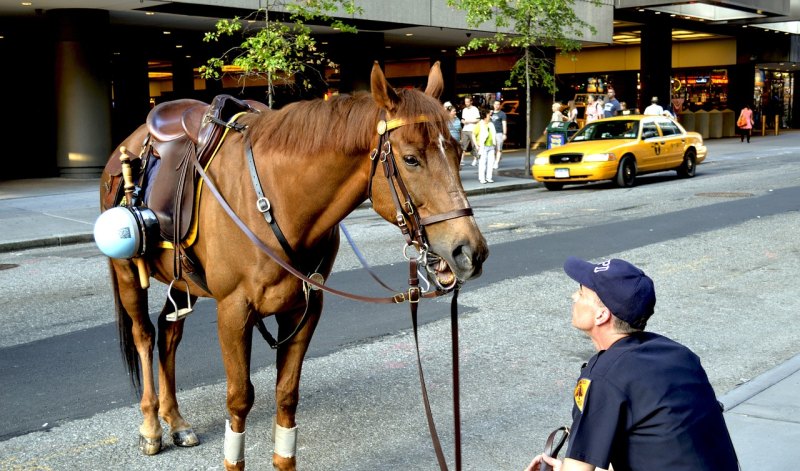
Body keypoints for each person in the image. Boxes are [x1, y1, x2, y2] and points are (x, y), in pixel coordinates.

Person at [525, 257, 738, 471]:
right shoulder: (679, 354)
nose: (574, 296)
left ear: (601, 315)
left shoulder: (604, 375)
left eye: (581, 293)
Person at [473, 109, 497, 184]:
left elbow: (494, 135)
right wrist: (476, 145)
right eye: (488, 114)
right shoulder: (479, 125)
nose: (490, 115)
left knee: (491, 162)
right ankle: (482, 178)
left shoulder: (491, 124)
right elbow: (473, 134)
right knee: (482, 163)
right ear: (485, 116)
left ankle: (489, 177)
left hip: (491, 146)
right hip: (483, 146)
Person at [459, 96, 481, 166]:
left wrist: (469, 121)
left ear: (471, 102)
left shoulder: (475, 109)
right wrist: (463, 121)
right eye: (465, 102)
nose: (466, 103)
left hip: (473, 130)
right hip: (465, 129)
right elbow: (462, 119)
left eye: (468, 102)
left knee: (474, 145)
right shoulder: (464, 110)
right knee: (463, 146)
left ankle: (475, 159)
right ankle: (461, 160)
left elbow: (478, 119)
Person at [490, 100, 508, 168]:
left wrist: (504, 134)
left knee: (499, 148)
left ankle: (496, 162)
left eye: (498, 104)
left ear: (500, 105)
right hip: (491, 133)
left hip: (499, 133)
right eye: (495, 104)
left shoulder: (502, 114)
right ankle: (495, 160)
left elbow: (504, 124)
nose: (497, 106)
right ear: (493, 105)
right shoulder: (490, 113)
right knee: (492, 149)